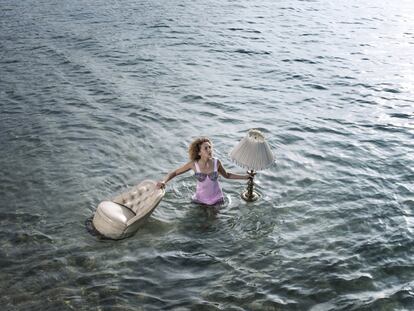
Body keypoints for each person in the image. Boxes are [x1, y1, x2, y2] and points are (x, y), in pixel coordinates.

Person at [156, 137, 254, 205]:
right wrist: (164, 181)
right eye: (205, 148)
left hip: (216, 199)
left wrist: (245, 177)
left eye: (210, 147)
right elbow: (175, 172)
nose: (209, 150)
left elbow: (227, 175)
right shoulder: (194, 164)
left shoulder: (217, 162)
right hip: (199, 199)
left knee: (213, 228)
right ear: (199, 152)